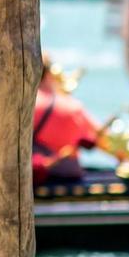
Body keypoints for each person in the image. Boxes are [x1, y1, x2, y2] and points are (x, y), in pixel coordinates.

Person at [33, 53, 103, 183]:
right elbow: (101, 138)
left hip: (32, 176)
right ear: (50, 73)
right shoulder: (72, 107)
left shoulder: (22, 107)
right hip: (68, 175)